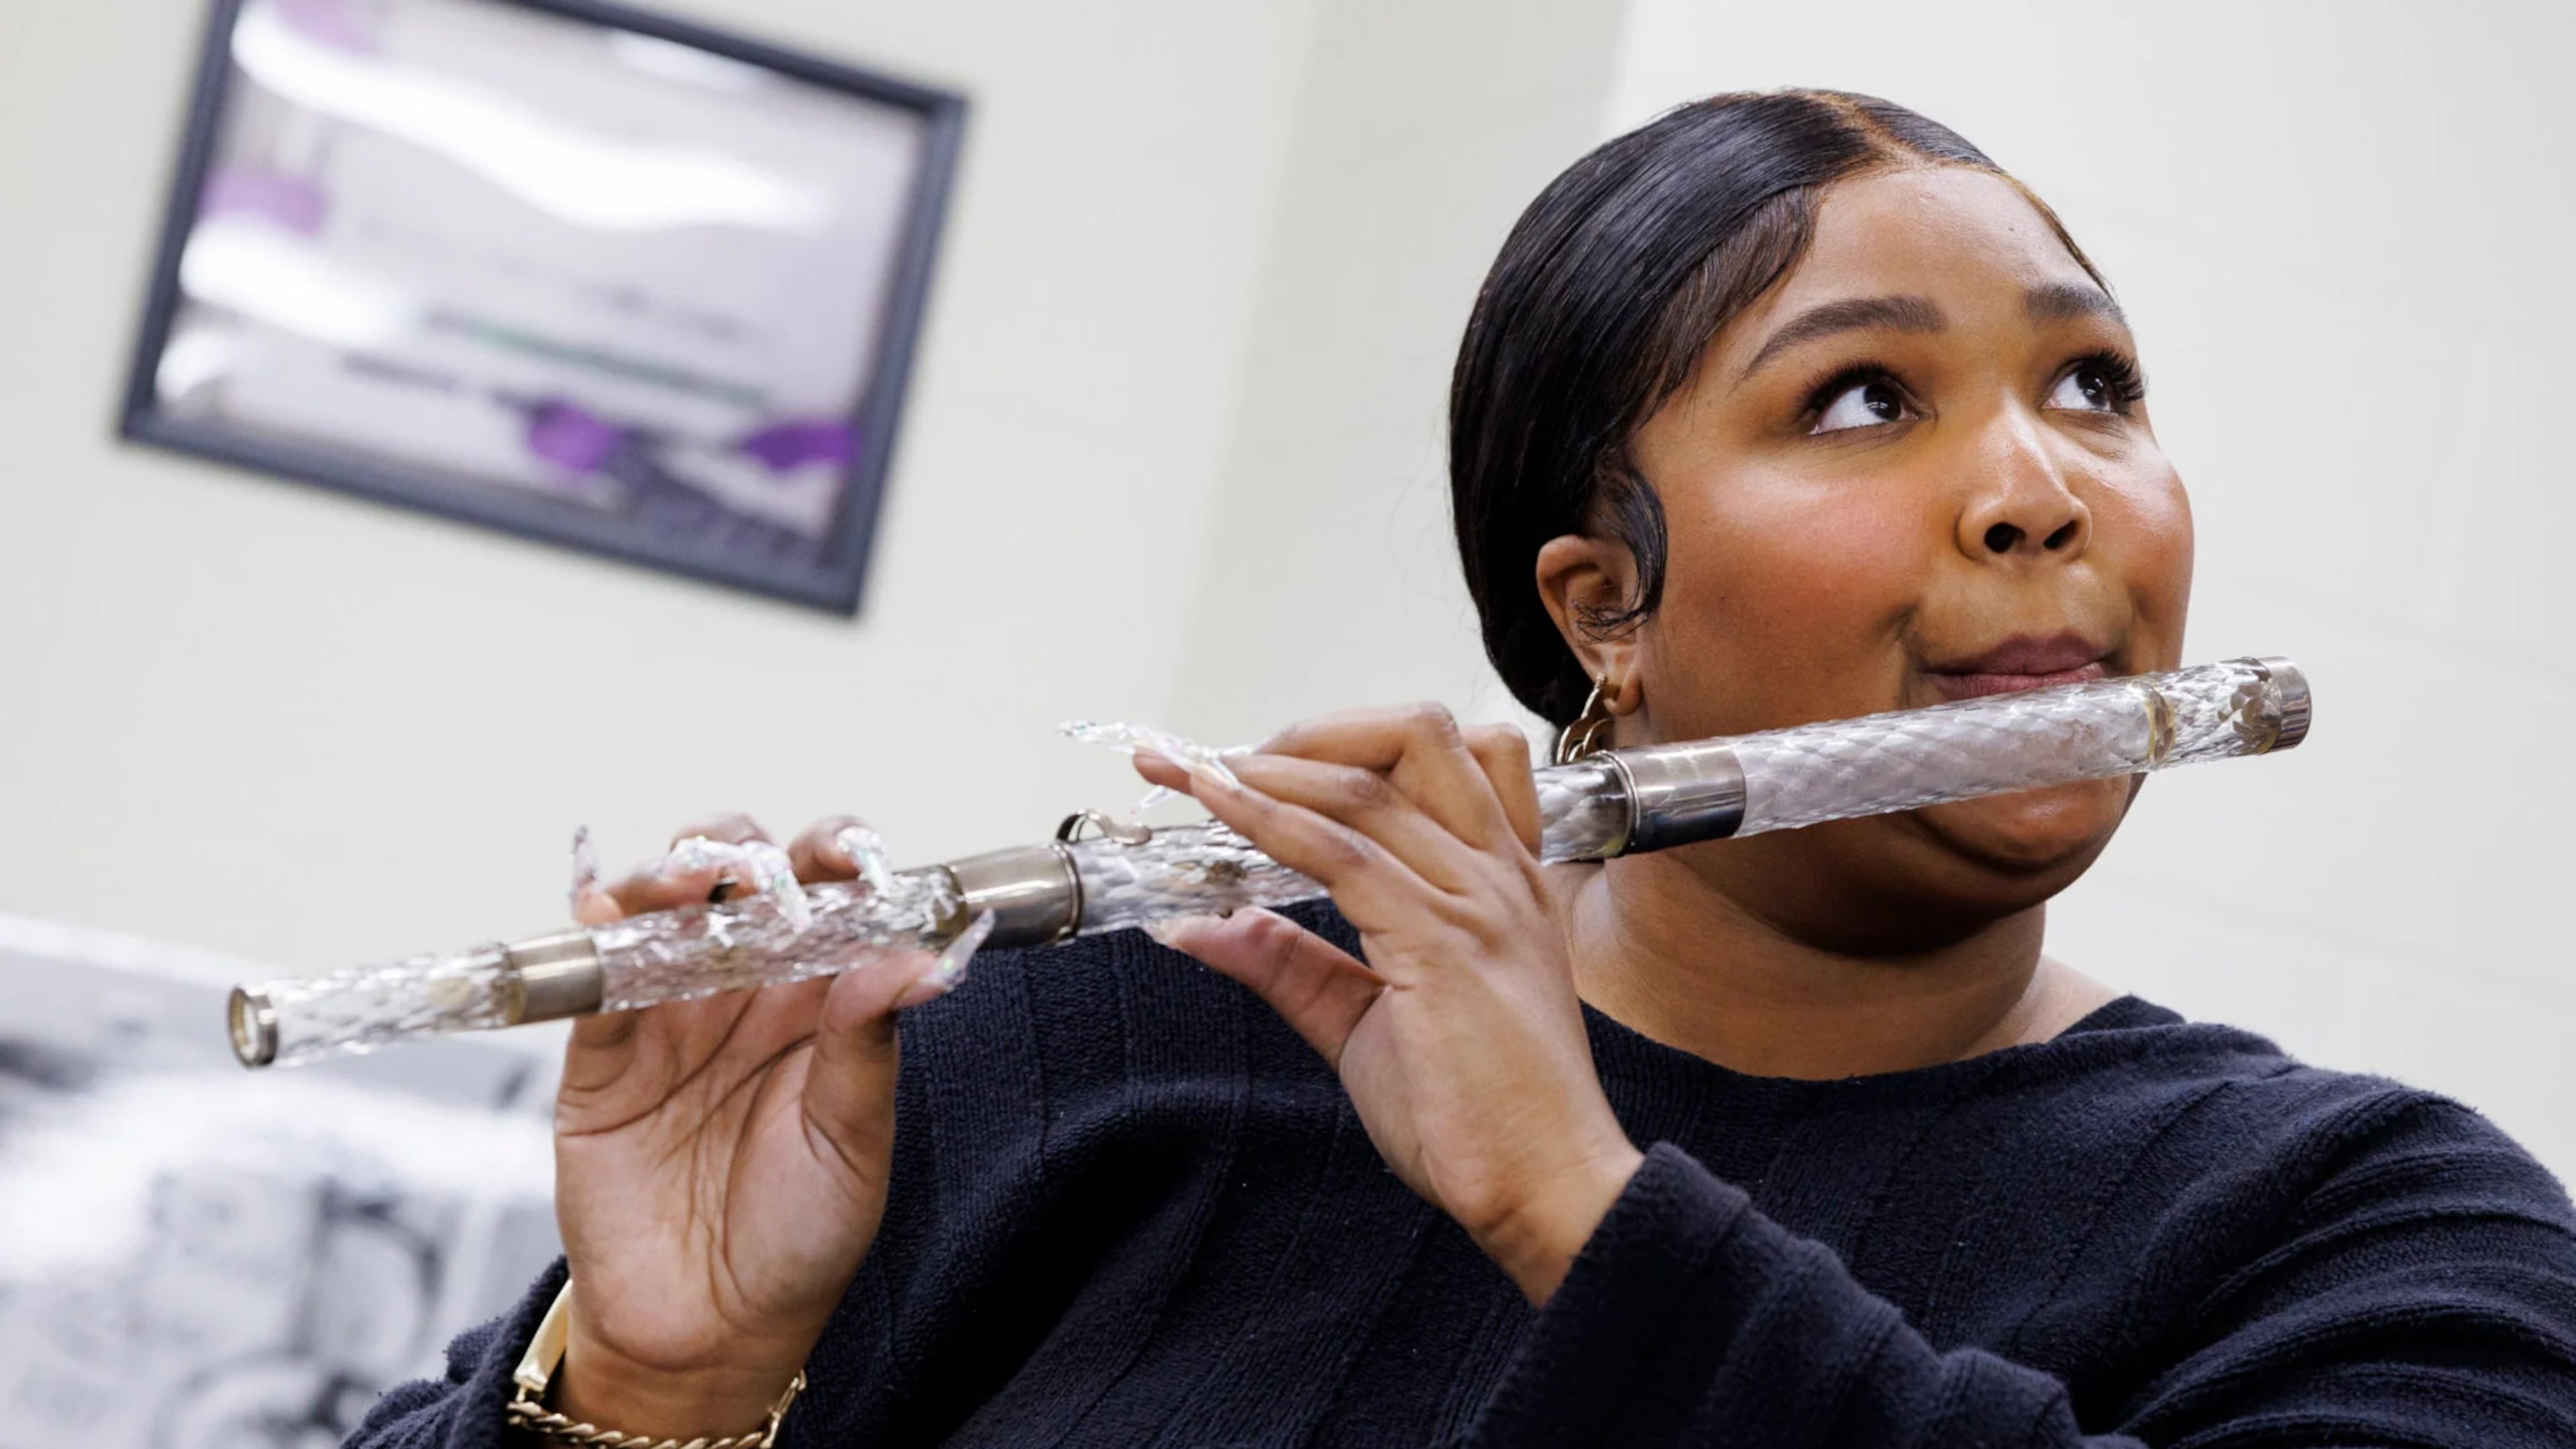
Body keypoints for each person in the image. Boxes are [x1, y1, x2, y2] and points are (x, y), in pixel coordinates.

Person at [356, 91, 2576, 1448]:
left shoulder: (2373, 1237)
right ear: (1604, 606)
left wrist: (1583, 1208)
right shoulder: (1068, 1050)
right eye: (1867, 401)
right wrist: (664, 1393)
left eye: (2094, 384)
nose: (2037, 490)